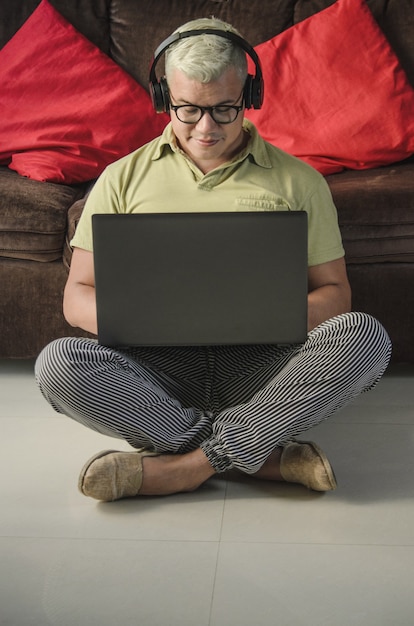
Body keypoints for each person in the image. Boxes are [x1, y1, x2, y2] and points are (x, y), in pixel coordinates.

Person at [35, 18, 392, 502]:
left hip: (263, 365)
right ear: (165, 99)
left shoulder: (300, 182)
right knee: (58, 364)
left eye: (225, 109)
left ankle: (185, 466)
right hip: (158, 370)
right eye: (187, 110)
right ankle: (258, 453)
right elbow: (77, 296)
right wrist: (144, 322)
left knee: (365, 337)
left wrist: (267, 319)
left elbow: (336, 293)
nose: (206, 127)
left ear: (250, 96)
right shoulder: (120, 179)